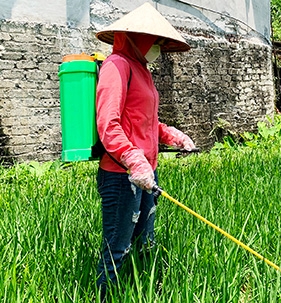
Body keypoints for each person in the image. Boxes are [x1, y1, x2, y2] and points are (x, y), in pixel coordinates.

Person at [93, 2, 195, 299]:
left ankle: (142, 292)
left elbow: (145, 121)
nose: (158, 49)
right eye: (155, 42)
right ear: (138, 38)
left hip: (147, 173)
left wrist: (172, 135)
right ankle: (106, 296)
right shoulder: (117, 67)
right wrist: (133, 159)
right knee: (117, 247)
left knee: (144, 242)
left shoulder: (142, 70)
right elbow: (108, 123)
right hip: (122, 176)